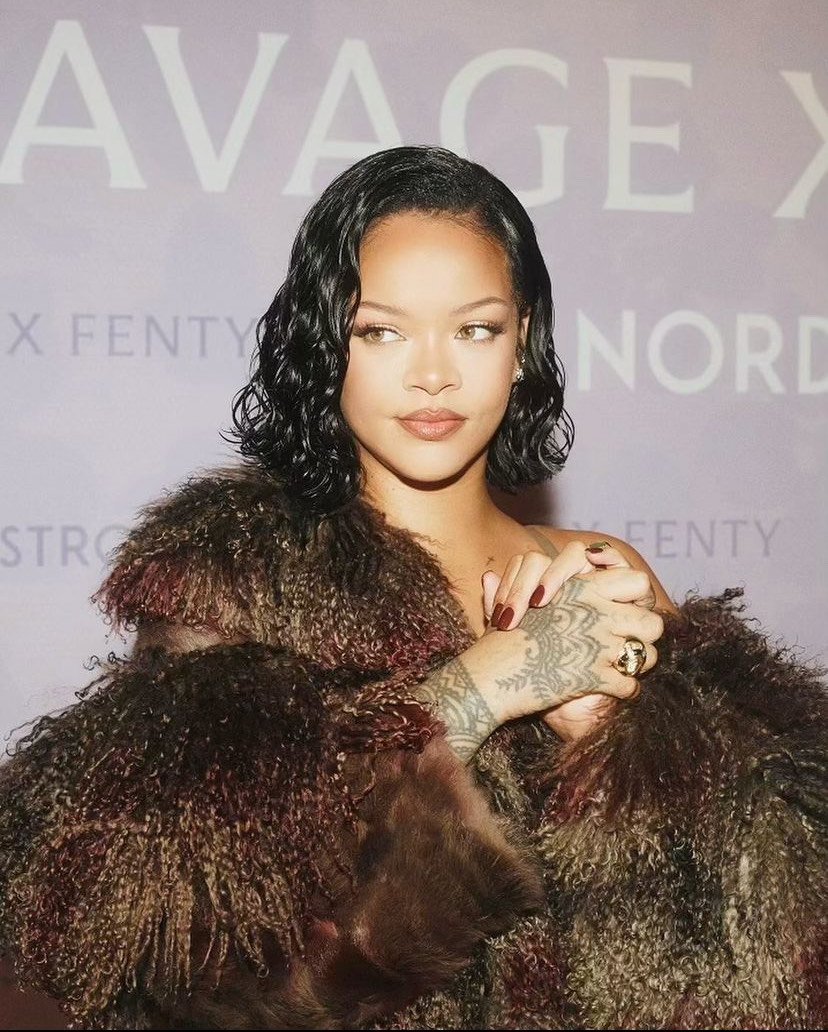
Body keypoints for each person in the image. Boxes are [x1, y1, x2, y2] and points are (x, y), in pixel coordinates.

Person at [0, 145, 825, 1031]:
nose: (434, 373)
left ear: (523, 341)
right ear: (325, 344)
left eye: (475, 329)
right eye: (382, 331)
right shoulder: (234, 578)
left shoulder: (597, 571)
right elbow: (185, 974)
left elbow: (760, 944)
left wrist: (613, 753)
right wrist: (480, 690)